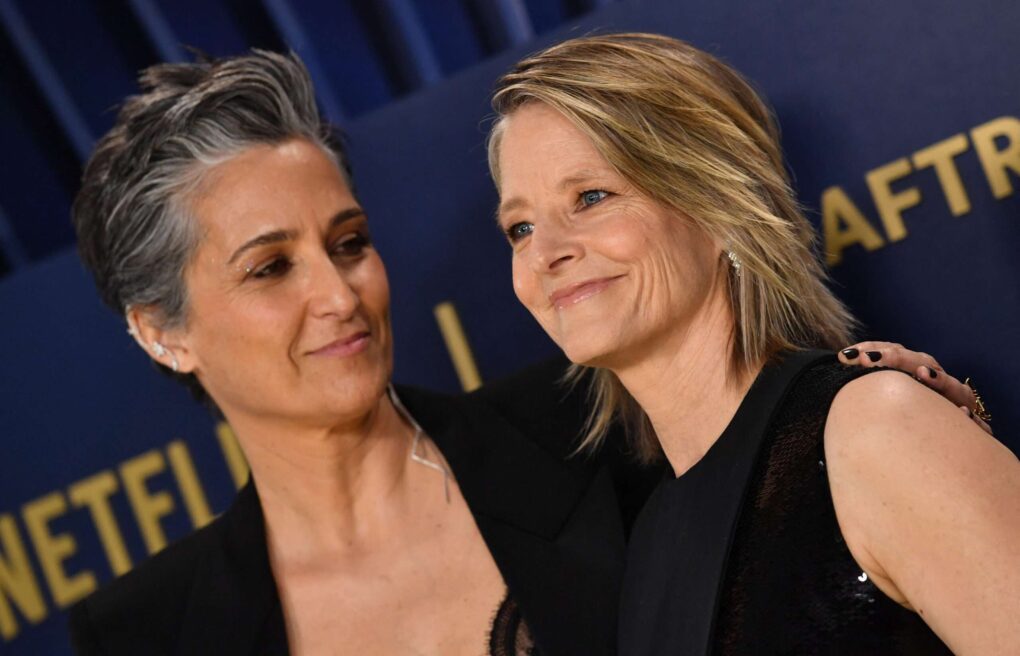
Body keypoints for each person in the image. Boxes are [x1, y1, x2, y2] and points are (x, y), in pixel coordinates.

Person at [67, 49, 976, 655]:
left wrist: (861, 394)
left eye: (348, 244)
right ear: (162, 330)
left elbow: (796, 477)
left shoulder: (599, 428)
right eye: (271, 267)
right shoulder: (148, 632)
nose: (339, 295)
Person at [488, 32, 1019, 655]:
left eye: (592, 197)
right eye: (520, 227)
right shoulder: (651, 536)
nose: (547, 252)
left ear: (717, 204)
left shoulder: (876, 429)